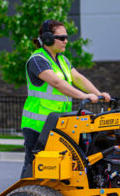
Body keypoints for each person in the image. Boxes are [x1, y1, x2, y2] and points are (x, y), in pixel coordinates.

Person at [20, 19, 111, 177]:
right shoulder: (37, 60)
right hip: (37, 126)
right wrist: (84, 96)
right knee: (33, 169)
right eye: (61, 37)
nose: (66, 41)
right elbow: (57, 83)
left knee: (57, 169)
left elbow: (78, 78)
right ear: (48, 38)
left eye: (66, 37)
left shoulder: (62, 60)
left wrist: (98, 94)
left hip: (58, 125)